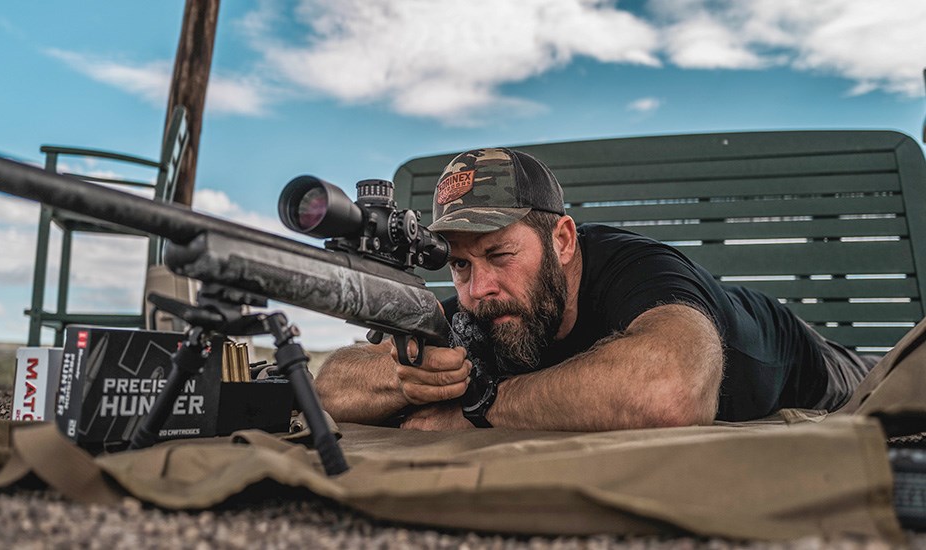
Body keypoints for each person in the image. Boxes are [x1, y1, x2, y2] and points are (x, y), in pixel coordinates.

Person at [315, 148, 877, 431]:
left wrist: (480, 406)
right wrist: (406, 378)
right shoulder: (483, 302)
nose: (478, 288)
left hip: (820, 367)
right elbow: (334, 386)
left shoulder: (640, 269)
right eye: (459, 265)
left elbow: (669, 390)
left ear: (561, 239)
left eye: (500, 254)